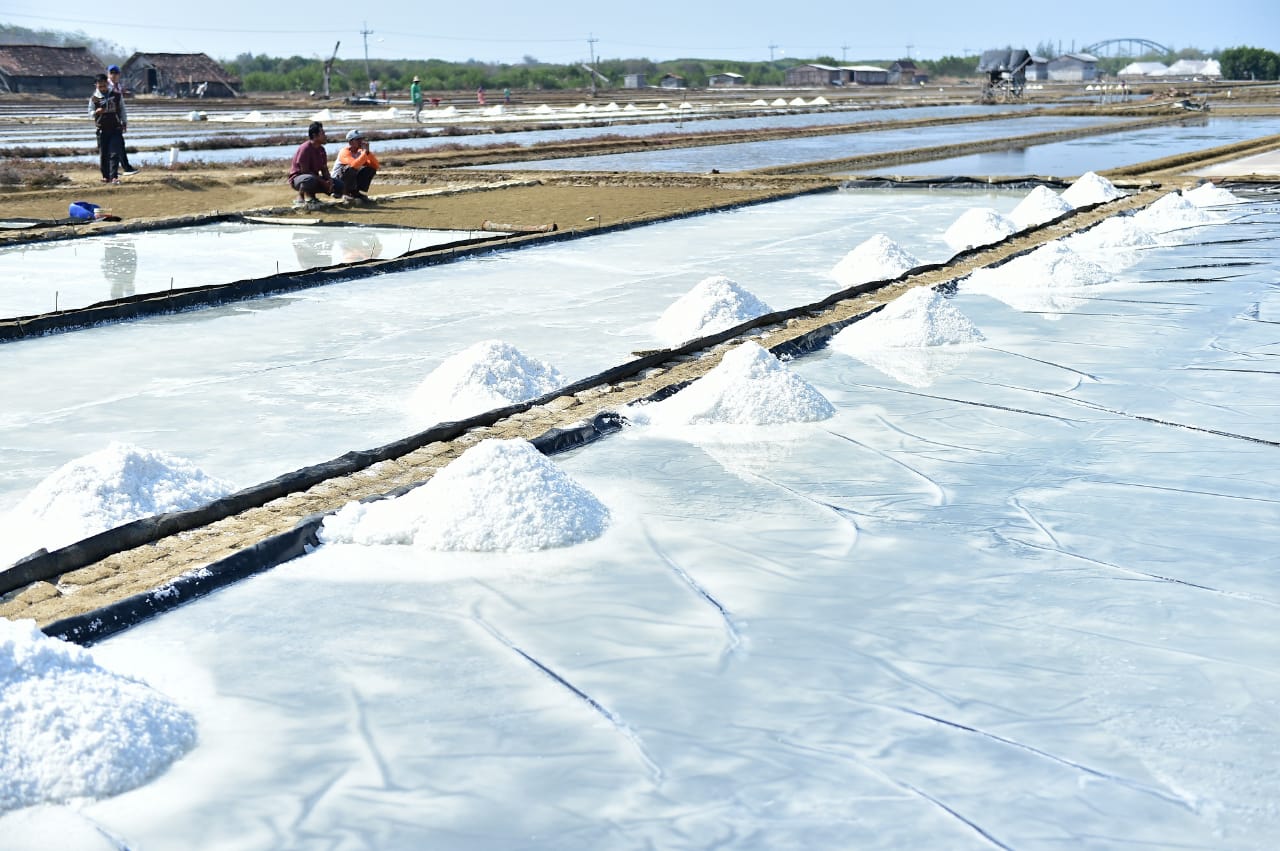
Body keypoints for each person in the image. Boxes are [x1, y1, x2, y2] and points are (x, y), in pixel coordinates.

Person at [287, 121, 343, 209]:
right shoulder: (305, 148)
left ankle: (312, 198)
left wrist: (329, 181)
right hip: (299, 179)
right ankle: (300, 197)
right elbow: (304, 171)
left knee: (339, 184)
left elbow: (324, 169)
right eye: (323, 133)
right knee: (309, 179)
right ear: (315, 135)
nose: (325, 136)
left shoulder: (321, 150)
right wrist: (323, 182)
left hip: (314, 178)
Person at [89, 73, 126, 183]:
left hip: (115, 128)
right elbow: (89, 113)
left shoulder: (116, 95)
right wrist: (96, 112)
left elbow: (123, 109)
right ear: (96, 85)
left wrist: (124, 122)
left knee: (114, 153)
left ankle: (114, 176)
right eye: (100, 86)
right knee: (104, 154)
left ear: (107, 84)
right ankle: (105, 176)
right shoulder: (94, 98)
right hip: (102, 129)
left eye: (104, 86)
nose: (103, 88)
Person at [105, 64, 140, 175]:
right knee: (113, 145)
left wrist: (124, 121)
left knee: (118, 144)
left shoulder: (118, 86)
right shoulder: (106, 86)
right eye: (112, 73)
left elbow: (121, 106)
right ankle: (121, 168)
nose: (114, 75)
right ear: (108, 74)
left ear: (119, 75)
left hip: (117, 119)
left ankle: (122, 168)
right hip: (108, 120)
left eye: (116, 73)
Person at [332, 128, 380, 203]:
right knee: (350, 168)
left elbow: (375, 166)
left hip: (349, 180)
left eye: (361, 139)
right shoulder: (344, 152)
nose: (361, 141)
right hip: (336, 183)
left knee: (369, 169)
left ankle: (354, 192)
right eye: (357, 139)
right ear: (350, 142)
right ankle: (343, 193)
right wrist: (364, 154)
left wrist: (367, 153)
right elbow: (354, 165)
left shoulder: (360, 152)